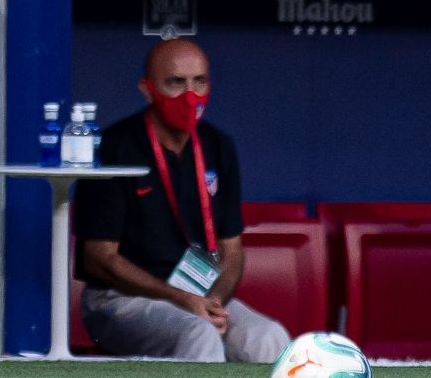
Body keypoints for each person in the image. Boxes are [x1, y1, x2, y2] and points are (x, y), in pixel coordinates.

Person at [72, 38, 290, 363]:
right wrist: (180, 299)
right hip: (121, 299)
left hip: (200, 297)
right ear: (147, 90)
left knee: (267, 337)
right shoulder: (116, 146)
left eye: (199, 82)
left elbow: (232, 250)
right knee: (198, 333)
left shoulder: (218, 146)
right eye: (175, 82)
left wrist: (215, 301)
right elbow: (99, 258)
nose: (190, 95)